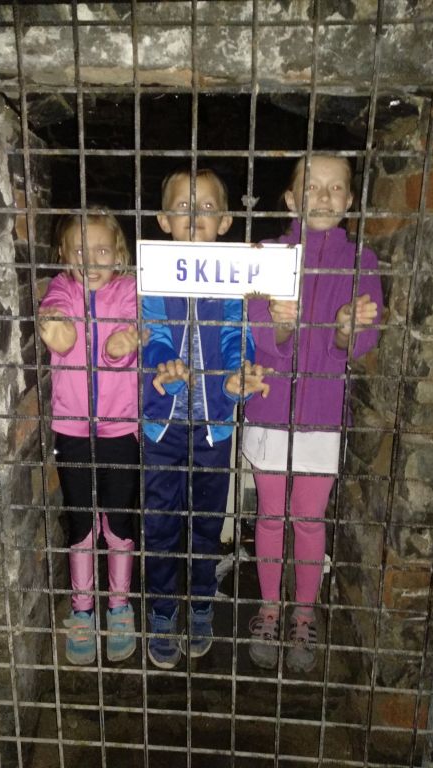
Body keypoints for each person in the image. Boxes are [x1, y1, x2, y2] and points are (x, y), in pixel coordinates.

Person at [243, 155, 383, 672]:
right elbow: (257, 330)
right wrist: (280, 323)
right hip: (270, 408)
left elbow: (360, 339)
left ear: (350, 200)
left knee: (308, 518)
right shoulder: (268, 255)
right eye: (312, 186)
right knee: (270, 515)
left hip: (323, 414)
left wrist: (345, 328)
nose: (323, 196)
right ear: (290, 198)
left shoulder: (361, 260)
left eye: (335, 187)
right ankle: (269, 607)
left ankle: (304, 612)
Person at [142, 167, 270, 669]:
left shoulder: (231, 280)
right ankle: (161, 610)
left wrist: (236, 373)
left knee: (206, 523)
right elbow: (152, 332)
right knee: (160, 522)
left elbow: (239, 333)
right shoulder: (154, 276)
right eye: (182, 206)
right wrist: (164, 366)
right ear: (163, 221)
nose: (195, 215)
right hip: (163, 425)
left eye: (208, 207)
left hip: (215, 427)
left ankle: (199, 604)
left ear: (226, 223)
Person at [39, 212, 142, 665]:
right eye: (80, 250)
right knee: (81, 520)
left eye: (102, 249)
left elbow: (131, 333)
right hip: (72, 425)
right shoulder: (61, 288)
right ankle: (82, 609)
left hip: (120, 425)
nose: (91, 260)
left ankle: (119, 605)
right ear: (64, 255)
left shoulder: (130, 290)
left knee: (118, 519)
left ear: (118, 254)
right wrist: (56, 327)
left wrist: (120, 348)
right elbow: (55, 315)